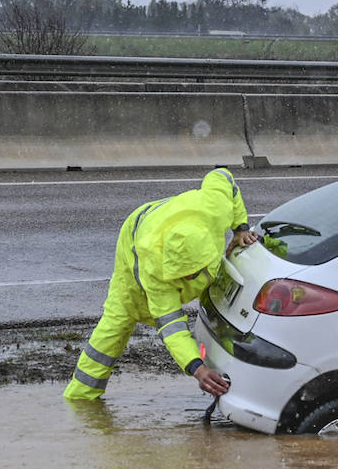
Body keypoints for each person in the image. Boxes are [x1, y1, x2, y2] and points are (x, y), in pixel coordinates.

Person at [63, 167, 258, 401]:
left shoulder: (215, 208)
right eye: (179, 277)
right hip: (135, 244)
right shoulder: (154, 271)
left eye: (190, 275)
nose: (186, 281)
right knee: (116, 324)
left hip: (168, 221)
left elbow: (222, 175)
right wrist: (197, 368)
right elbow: (171, 325)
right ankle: (79, 399)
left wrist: (241, 228)